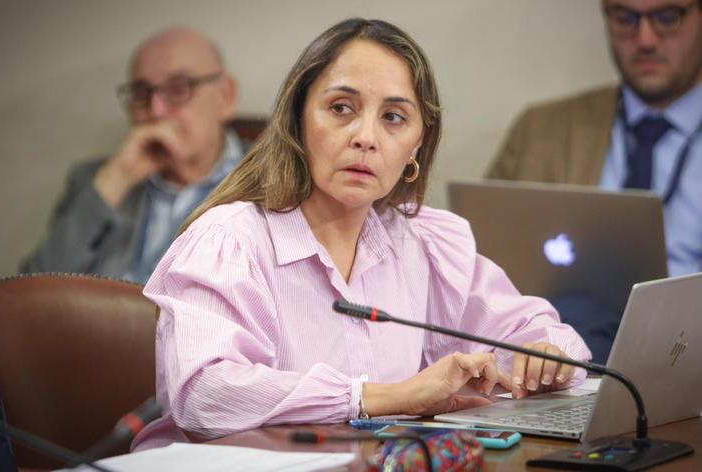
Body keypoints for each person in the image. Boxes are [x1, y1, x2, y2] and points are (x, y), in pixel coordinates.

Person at [131, 18, 591, 451]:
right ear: (297, 120)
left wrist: (543, 357)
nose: (366, 137)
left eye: (393, 117)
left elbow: (544, 336)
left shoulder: (423, 244)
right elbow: (206, 395)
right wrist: (385, 396)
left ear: (416, 144)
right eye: (341, 108)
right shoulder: (229, 240)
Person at [487, 0, 702, 362]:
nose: (645, 40)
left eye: (667, 17)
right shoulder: (542, 130)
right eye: (625, 18)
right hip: (561, 349)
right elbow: (482, 264)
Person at [20, 27, 245, 284]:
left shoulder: (272, 181)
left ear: (226, 96)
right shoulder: (94, 181)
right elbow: (31, 289)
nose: (156, 110)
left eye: (178, 89)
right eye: (141, 93)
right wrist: (117, 178)